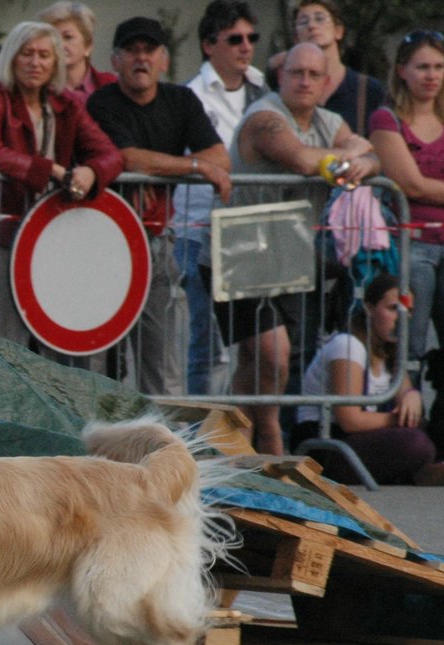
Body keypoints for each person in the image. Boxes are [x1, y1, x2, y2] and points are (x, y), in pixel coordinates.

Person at [219, 42, 379, 454]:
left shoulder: (329, 120)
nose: (304, 81)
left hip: (289, 247)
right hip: (243, 244)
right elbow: (305, 161)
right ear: (281, 77)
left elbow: (373, 157)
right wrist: (351, 155)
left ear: (327, 83)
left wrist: (365, 161)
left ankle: (239, 442)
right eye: (296, 73)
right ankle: (269, 435)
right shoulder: (266, 117)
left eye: (313, 75)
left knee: (262, 360)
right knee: (271, 353)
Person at [0, 21, 122, 350]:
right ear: (12, 58)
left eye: (45, 55)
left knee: (32, 342)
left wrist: (91, 172)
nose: (35, 62)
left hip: (42, 237)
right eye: (27, 53)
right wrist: (54, 170)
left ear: (56, 62)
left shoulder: (67, 103)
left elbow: (111, 155)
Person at [88, 16, 230, 396]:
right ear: (115, 60)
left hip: (157, 243)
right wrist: (192, 167)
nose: (141, 59)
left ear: (164, 59)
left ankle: (164, 450)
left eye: (149, 50)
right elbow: (128, 158)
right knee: (96, 367)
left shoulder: (181, 100)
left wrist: (160, 171)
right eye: (131, 51)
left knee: (164, 369)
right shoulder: (101, 102)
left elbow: (222, 158)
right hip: (102, 247)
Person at [369, 30, 444, 376]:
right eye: (422, 67)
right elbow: (411, 185)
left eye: (438, 67)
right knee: (409, 348)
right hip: (411, 247)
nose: (432, 75)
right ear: (402, 70)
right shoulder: (386, 119)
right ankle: (409, 424)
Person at [293, 274, 444, 485]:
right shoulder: (348, 345)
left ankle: (427, 472)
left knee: (437, 432)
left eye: (408, 312)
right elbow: (350, 420)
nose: (402, 319)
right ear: (369, 307)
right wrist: (398, 420)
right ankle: (422, 471)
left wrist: (412, 396)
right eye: (393, 309)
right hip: (325, 445)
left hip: (359, 440)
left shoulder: (389, 353)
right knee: (416, 442)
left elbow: (406, 397)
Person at [176, 0, 266, 393]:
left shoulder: (263, 90)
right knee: (207, 342)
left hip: (250, 231)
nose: (246, 46)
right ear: (209, 45)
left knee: (254, 342)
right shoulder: (189, 96)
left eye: (251, 37)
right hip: (199, 229)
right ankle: (200, 434)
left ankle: (239, 430)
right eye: (235, 39)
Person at [268, 0, 387, 136]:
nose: (311, 26)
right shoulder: (287, 91)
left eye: (319, 19)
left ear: (338, 31)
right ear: (296, 38)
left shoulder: (368, 90)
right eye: (303, 22)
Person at [37, 1, 115, 97]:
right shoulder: (37, 90)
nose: (60, 45)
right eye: (54, 38)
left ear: (88, 45)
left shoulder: (112, 86)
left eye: (68, 37)